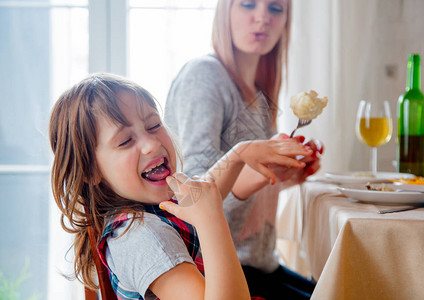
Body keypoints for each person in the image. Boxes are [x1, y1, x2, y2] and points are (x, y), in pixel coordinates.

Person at [49, 73, 313, 300]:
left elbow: (204, 190)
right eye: (125, 141)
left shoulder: (148, 208)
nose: (151, 143)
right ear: (90, 171)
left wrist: (241, 153)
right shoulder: (143, 238)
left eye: (153, 125)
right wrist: (212, 220)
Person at [165, 0, 321, 299]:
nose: (262, 17)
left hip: (261, 264)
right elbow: (192, 197)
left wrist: (285, 176)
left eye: (276, 9)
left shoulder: (259, 93)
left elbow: (245, 191)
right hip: (222, 271)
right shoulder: (204, 76)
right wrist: (255, 172)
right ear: (225, 11)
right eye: (248, 5)